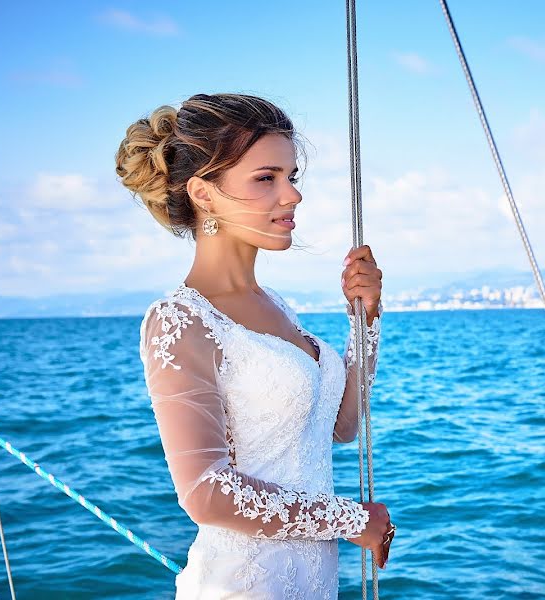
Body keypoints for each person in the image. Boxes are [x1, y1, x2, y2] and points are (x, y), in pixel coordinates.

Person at [115, 92, 394, 598]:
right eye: (266, 178)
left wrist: (366, 320)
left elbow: (343, 425)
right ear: (203, 193)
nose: (292, 196)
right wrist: (348, 519)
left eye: (292, 178)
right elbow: (204, 492)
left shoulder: (277, 307)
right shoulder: (179, 320)